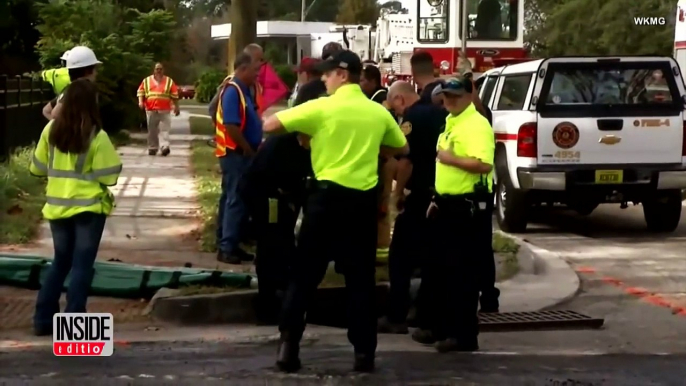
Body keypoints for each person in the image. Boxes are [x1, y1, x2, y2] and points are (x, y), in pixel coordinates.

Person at [263, 50, 408, 373]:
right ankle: (363, 354)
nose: (324, 80)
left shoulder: (320, 107)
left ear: (342, 75)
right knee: (360, 281)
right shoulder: (377, 113)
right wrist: (370, 146)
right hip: (360, 206)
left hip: (324, 203)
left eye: (327, 75)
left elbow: (271, 125)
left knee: (304, 276)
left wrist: (311, 135)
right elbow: (400, 146)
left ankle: (288, 347)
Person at [29, 79, 123, 336]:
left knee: (60, 262)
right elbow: (109, 176)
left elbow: (36, 168)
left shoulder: (50, 131)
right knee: (82, 265)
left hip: (57, 210)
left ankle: (43, 320)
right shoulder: (96, 135)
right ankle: (73, 325)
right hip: (88, 210)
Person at [242, 58, 321, 325]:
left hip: (282, 196)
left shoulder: (307, 133)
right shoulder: (286, 138)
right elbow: (260, 177)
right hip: (269, 196)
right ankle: (268, 303)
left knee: (283, 247)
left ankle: (280, 299)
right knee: (271, 248)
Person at [424, 77, 494, 352]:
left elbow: (484, 164)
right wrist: (436, 198)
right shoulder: (452, 122)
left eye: (454, 96)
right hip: (448, 204)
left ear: (468, 96)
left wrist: (451, 160)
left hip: (467, 207)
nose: (449, 101)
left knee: (462, 273)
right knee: (444, 270)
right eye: (446, 97)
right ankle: (444, 328)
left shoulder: (476, 124)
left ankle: (463, 335)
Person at [377, 81, 446, 335]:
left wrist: (396, 194)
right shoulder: (441, 114)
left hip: (418, 197)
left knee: (399, 258)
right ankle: (425, 313)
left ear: (399, 100)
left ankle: (396, 315)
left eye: (393, 104)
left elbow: (406, 162)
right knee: (431, 258)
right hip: (440, 196)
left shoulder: (411, 119)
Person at [214, 53, 263, 264]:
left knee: (231, 198)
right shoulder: (233, 91)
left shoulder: (243, 90)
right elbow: (231, 125)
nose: (257, 75)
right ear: (242, 69)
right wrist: (247, 148)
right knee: (236, 199)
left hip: (238, 153)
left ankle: (229, 242)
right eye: (254, 70)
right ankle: (227, 247)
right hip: (235, 153)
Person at [42, 46, 101, 121]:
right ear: (87, 71)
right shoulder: (80, 91)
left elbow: (46, 110)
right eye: (95, 69)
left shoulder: (68, 90)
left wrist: (57, 127)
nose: (96, 73)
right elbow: (55, 114)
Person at [137, 63, 180, 156]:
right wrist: (140, 102)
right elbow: (141, 91)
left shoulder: (169, 81)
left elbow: (175, 95)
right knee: (152, 130)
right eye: (157, 69)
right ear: (154, 70)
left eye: (160, 69)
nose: (159, 71)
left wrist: (176, 107)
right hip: (151, 110)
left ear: (163, 70)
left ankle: (164, 147)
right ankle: (152, 148)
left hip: (165, 110)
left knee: (164, 129)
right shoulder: (147, 81)